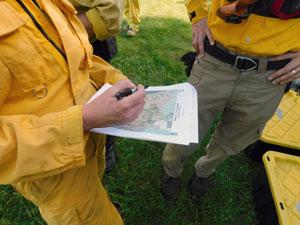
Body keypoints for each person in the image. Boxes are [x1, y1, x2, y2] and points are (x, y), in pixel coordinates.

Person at [0, 0, 145, 224]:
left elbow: (72, 55)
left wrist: (113, 79)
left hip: (91, 147)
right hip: (56, 177)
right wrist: (82, 122)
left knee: (95, 192)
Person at [161, 0, 300, 201]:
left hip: (271, 75)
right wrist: (198, 16)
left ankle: (205, 171)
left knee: (233, 139)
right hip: (215, 60)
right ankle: (171, 169)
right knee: (184, 128)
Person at [70, 0, 124, 173]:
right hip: (54, 49)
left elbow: (109, 14)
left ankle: (106, 149)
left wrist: (49, 28)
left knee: (102, 101)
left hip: (91, 45)